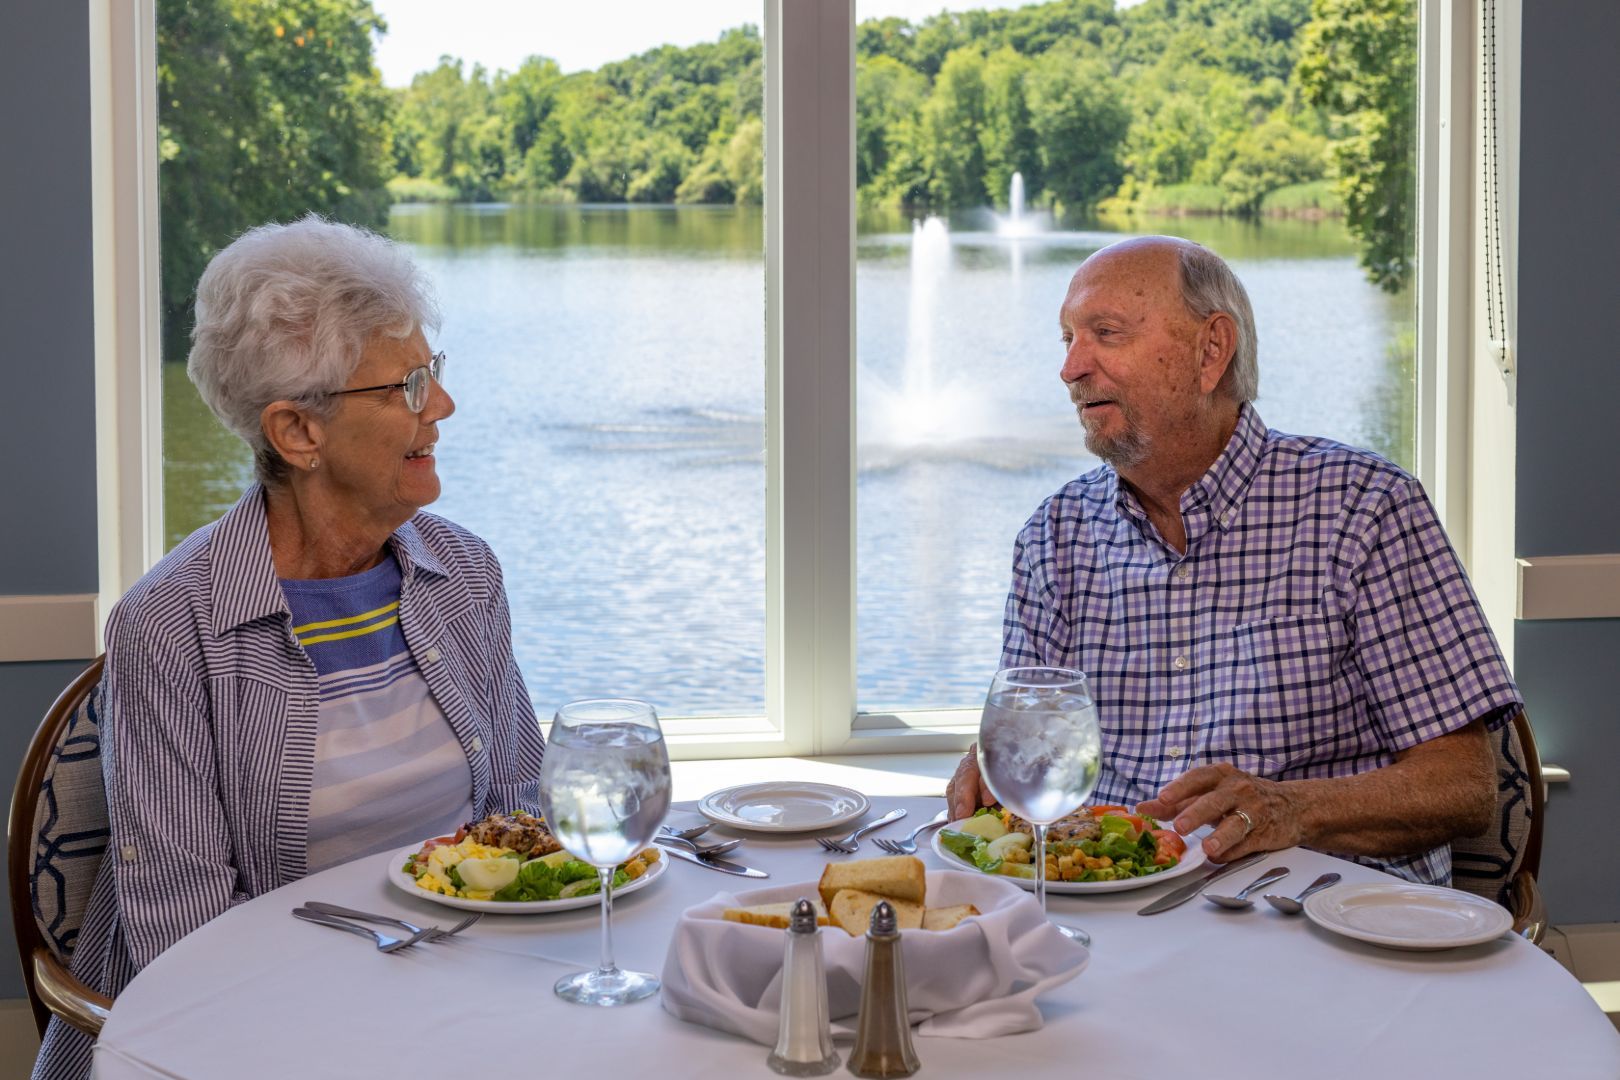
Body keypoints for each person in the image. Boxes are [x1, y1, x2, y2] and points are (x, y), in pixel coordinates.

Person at [34, 216, 546, 1080]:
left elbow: (522, 817)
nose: (443, 406)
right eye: (408, 386)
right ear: (298, 434)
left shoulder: (464, 574)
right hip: (251, 1031)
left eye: (435, 372)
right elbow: (186, 933)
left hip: (459, 999)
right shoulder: (168, 626)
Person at [944, 235, 1520, 886]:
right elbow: (1033, 745)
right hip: (1120, 924)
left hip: (1333, 933)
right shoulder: (1054, 536)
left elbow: (1464, 787)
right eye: (1068, 339)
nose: (1072, 367)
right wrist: (993, 769)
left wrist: (1291, 809)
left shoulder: (1365, 509)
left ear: (1210, 350)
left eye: (1105, 333)